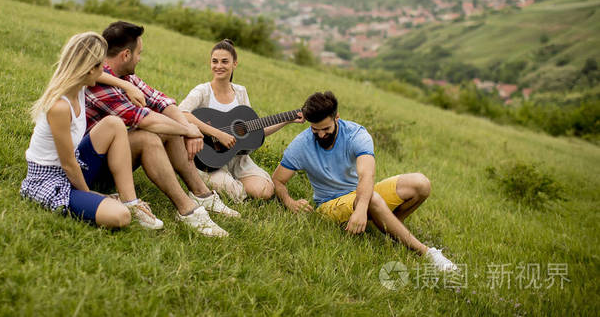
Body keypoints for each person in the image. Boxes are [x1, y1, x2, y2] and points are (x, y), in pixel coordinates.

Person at [272, 91, 458, 271]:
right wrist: (289, 202)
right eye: (315, 130)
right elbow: (278, 180)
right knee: (373, 199)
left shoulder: (356, 134)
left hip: (359, 193)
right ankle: (428, 254)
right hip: (330, 204)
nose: (321, 135)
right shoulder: (301, 144)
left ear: (337, 118)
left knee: (421, 183)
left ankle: (390, 229)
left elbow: (366, 176)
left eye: (326, 129)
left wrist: (361, 209)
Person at [85, 21, 239, 237]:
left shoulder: (125, 77)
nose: (140, 58)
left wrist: (186, 126)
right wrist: (189, 130)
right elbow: (144, 120)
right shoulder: (98, 82)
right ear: (126, 55)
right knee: (149, 136)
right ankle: (188, 211)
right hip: (90, 169)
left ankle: (202, 194)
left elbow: (162, 101)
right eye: (139, 53)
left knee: (170, 127)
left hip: (113, 157)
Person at [20, 32, 162, 230]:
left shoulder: (79, 87)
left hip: (73, 165)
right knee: (120, 217)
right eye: (100, 65)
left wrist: (124, 84)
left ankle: (131, 201)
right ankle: (106, 201)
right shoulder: (60, 107)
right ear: (89, 69)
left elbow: (101, 75)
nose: (104, 70)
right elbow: (68, 164)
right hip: (49, 178)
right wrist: (89, 195)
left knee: (113, 123)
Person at [179, 39, 303, 202]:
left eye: (225, 61)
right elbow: (182, 113)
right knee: (233, 191)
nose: (219, 66)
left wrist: (288, 119)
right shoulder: (203, 91)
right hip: (207, 158)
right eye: (214, 61)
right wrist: (217, 133)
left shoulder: (240, 92)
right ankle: (217, 184)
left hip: (238, 159)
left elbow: (254, 129)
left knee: (265, 190)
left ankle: (231, 183)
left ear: (235, 64)